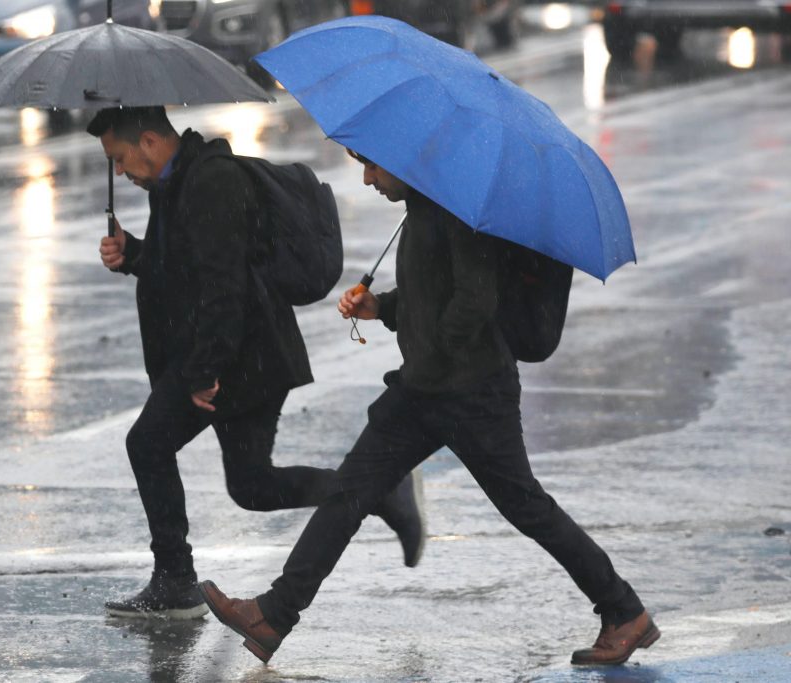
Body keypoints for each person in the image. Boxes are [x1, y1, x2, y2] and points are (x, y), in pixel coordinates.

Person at [198, 150, 659, 666]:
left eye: (374, 166)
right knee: (350, 493)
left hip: (472, 392)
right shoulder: (424, 207)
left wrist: (431, 361)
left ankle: (625, 611)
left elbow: (475, 301)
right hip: (428, 390)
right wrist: (383, 308)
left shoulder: (455, 212)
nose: (368, 178)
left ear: (406, 161)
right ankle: (274, 615)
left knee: (526, 506)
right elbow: (433, 297)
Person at [89, 107, 425, 620]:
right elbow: (180, 266)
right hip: (234, 352)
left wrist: (205, 371)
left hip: (242, 355)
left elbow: (225, 286)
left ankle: (176, 580)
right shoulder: (174, 185)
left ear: (152, 141)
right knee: (252, 486)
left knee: (148, 442)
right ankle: (382, 490)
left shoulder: (211, 183)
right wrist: (133, 254)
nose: (120, 172)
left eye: (120, 158)